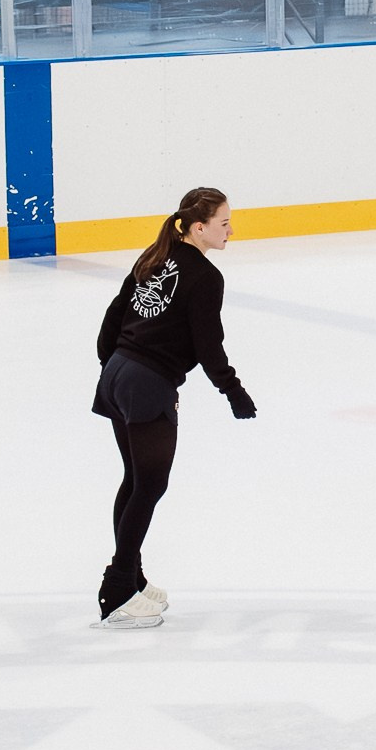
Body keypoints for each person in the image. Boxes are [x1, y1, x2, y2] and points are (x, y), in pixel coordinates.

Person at [90, 188, 256, 627]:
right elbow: (208, 347)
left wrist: (115, 367)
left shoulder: (155, 254)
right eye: (224, 223)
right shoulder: (206, 277)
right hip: (145, 384)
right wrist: (233, 390)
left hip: (119, 374)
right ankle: (117, 589)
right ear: (199, 227)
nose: (231, 231)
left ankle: (132, 578)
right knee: (150, 485)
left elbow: (113, 316)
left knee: (136, 480)